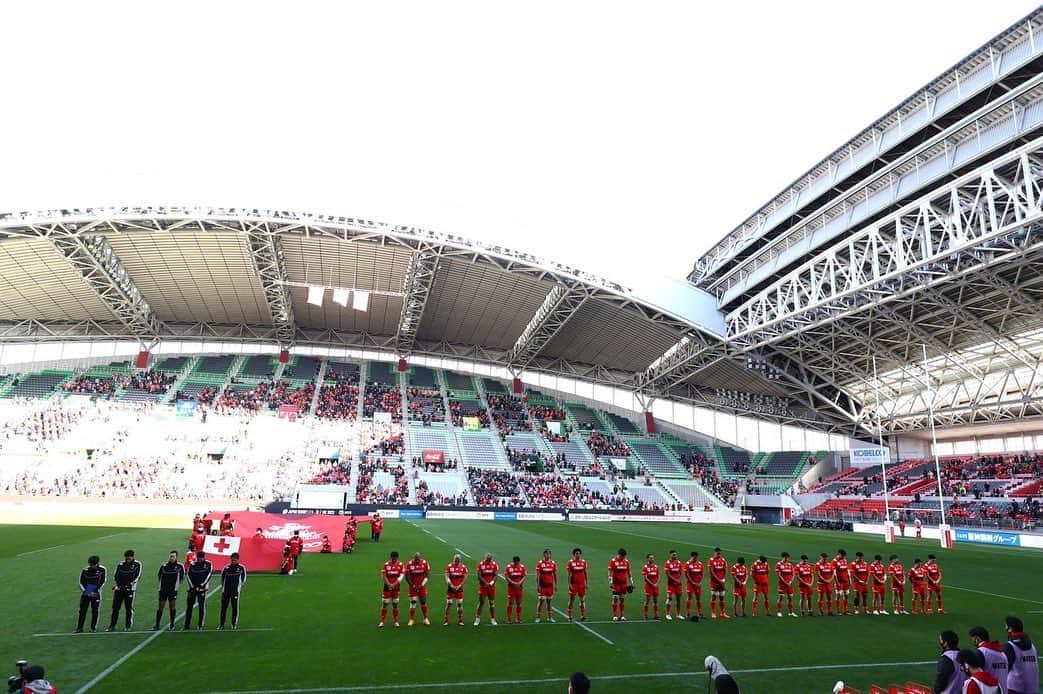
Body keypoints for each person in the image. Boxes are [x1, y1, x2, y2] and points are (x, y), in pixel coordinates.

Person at [108, 549, 142, 631]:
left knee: (128, 608)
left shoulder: (137, 564)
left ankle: (128, 626)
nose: (127, 560)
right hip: (119, 589)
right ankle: (112, 626)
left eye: (129, 559)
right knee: (115, 607)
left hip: (130, 590)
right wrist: (119, 585)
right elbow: (116, 576)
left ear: (132, 557)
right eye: (126, 558)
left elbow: (137, 577)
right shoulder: (121, 565)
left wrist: (128, 585)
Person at [1004, 615, 1039, 694]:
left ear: (1010, 629)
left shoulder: (1010, 646)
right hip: (1033, 689)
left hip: (1014, 689)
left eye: (1006, 626)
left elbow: (1004, 670)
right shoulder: (1032, 646)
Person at [968, 626, 1009, 693]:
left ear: (977, 638)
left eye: (972, 639)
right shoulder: (1002, 653)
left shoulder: (981, 652)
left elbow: (975, 675)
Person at [154, 550, 185, 631]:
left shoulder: (180, 566)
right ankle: (157, 624)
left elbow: (182, 577)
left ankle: (172, 624)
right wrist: (162, 586)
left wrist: (175, 587)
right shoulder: (164, 566)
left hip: (173, 590)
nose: (171, 558)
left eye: (173, 556)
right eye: (170, 556)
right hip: (163, 590)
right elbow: (159, 576)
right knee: (160, 607)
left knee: (172, 606)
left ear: (176, 557)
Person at [76, 554, 106, 633]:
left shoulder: (102, 569)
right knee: (82, 611)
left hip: (96, 592)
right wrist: (85, 591)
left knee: (95, 610)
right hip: (86, 592)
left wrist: (96, 591)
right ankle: (79, 628)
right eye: (90, 564)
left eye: (93, 565)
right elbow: (81, 582)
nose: (91, 566)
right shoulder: (85, 570)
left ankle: (93, 628)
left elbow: (103, 581)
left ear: (97, 563)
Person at [183, 550, 212, 630]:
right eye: (198, 558)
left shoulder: (208, 564)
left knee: (201, 607)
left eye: (201, 558)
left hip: (202, 589)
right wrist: (192, 586)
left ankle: (200, 625)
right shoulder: (193, 564)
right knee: (189, 607)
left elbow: (209, 575)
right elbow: (188, 575)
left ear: (204, 557)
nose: (199, 560)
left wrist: (202, 585)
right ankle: (186, 625)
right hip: (192, 589)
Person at [218, 552, 247, 630]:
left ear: (238, 559)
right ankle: (221, 624)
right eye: (232, 559)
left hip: (235, 591)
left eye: (235, 559)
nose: (233, 561)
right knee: (224, 608)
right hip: (226, 591)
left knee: (234, 608)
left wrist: (238, 588)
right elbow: (222, 579)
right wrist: (223, 588)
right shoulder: (226, 568)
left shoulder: (241, 568)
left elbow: (243, 580)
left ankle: (234, 624)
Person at [379, 550, 405, 628]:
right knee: (385, 603)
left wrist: (393, 584)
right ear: (391, 557)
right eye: (393, 558)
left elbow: (401, 576)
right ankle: (382, 622)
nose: (394, 559)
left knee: (395, 604)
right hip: (387, 586)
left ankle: (396, 621)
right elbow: (383, 575)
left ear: (397, 558)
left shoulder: (400, 565)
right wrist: (389, 584)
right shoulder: (386, 564)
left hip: (396, 587)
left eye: (395, 558)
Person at [935, 629, 967, 694]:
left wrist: (936, 690)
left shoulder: (946, 658)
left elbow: (941, 679)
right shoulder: (965, 656)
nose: (940, 642)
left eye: (941, 640)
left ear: (946, 643)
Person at [405, 551, 432, 627]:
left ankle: (425, 618)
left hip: (422, 586)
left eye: (418, 559)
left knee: (423, 601)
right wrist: (413, 585)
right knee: (413, 602)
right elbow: (407, 577)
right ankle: (411, 619)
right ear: (413, 558)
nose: (416, 561)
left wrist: (422, 584)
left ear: (420, 558)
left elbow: (427, 575)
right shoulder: (409, 564)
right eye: (415, 559)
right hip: (413, 587)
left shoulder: (425, 563)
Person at [608, 548, 633, 622]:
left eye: (624, 557)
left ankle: (622, 616)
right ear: (619, 555)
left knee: (622, 599)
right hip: (616, 583)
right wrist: (610, 582)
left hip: (624, 584)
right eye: (622, 556)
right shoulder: (613, 561)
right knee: (615, 598)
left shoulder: (626, 561)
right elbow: (610, 572)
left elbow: (629, 572)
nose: (624, 558)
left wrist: (632, 582)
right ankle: (615, 615)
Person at [474, 552, 499, 626]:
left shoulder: (494, 564)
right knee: (481, 602)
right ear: (485, 558)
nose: (489, 561)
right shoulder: (481, 564)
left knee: (492, 603)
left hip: (491, 587)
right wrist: (485, 583)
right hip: (483, 587)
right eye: (488, 559)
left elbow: (496, 575)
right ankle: (477, 619)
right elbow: (479, 575)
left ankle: (493, 619)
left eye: (490, 559)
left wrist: (490, 583)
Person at [444, 553, 468, 626]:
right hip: (451, 588)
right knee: (449, 603)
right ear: (453, 559)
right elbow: (447, 576)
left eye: (458, 560)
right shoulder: (449, 566)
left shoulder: (463, 567)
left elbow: (465, 577)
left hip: (459, 589)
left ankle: (460, 620)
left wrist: (460, 585)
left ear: (460, 560)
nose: (456, 561)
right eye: (455, 560)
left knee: (460, 604)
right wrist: (451, 585)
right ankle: (446, 620)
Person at [534, 548, 558, 623]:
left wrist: (556, 585)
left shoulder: (553, 563)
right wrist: (538, 585)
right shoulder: (540, 563)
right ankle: (538, 617)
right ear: (544, 554)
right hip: (542, 586)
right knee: (541, 601)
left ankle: (550, 617)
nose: (548, 555)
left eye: (549, 554)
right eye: (546, 553)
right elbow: (537, 575)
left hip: (550, 586)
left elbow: (555, 574)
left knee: (549, 601)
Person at [566, 547, 588, 622]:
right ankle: (569, 616)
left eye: (579, 553)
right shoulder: (570, 562)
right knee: (571, 600)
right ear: (574, 554)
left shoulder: (583, 562)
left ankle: (583, 615)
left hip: (581, 584)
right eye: (576, 554)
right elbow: (569, 574)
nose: (578, 555)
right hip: (574, 584)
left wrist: (586, 583)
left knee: (582, 600)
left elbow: (585, 573)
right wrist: (569, 584)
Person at [708, 547, 730, 619]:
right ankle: (713, 612)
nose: (719, 553)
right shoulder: (711, 560)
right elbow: (711, 571)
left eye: (720, 552)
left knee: (722, 596)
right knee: (714, 596)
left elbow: (725, 569)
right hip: (714, 581)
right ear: (715, 552)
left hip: (722, 581)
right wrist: (718, 580)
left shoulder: (723, 560)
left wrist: (723, 579)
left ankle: (723, 612)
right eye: (718, 552)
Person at [505, 555, 527, 624]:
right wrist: (513, 583)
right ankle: (509, 619)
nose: (517, 564)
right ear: (513, 561)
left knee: (519, 603)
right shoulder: (509, 567)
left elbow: (524, 576)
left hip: (519, 588)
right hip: (511, 588)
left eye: (517, 563)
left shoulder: (522, 567)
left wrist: (519, 583)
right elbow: (506, 576)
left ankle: (518, 618)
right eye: (515, 563)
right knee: (510, 602)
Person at [774, 551, 797, 618]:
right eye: (786, 557)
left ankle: (791, 612)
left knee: (790, 598)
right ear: (783, 557)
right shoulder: (778, 564)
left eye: (787, 558)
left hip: (789, 584)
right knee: (781, 597)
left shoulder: (790, 565)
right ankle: (779, 611)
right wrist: (785, 582)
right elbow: (779, 575)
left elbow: (793, 574)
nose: (787, 559)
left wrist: (790, 581)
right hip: (782, 584)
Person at [663, 549, 683, 621]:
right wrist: (675, 580)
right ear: (670, 555)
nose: (675, 556)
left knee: (678, 599)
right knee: (669, 598)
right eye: (673, 555)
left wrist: (679, 580)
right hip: (671, 584)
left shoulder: (678, 562)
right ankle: (668, 614)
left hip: (678, 584)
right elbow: (668, 574)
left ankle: (678, 614)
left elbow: (681, 572)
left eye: (675, 554)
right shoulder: (667, 563)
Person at [684, 550, 704, 619]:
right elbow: (687, 574)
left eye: (697, 557)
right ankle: (687, 613)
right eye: (695, 557)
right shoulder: (687, 564)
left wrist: (700, 582)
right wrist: (692, 582)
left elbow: (702, 574)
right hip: (690, 584)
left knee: (698, 598)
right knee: (689, 597)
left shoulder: (700, 564)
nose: (696, 558)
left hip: (698, 584)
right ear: (693, 556)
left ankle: (700, 613)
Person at [815, 552, 835, 617]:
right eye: (824, 558)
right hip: (821, 583)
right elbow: (818, 574)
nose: (825, 559)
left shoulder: (829, 564)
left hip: (828, 583)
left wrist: (830, 580)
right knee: (820, 596)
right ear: (821, 557)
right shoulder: (818, 564)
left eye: (826, 558)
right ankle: (820, 611)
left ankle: (829, 611)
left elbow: (832, 573)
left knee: (829, 597)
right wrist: (825, 580)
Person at [641, 553, 660, 620]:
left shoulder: (656, 567)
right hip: (649, 586)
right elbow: (645, 578)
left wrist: (657, 583)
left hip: (655, 586)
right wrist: (652, 584)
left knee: (655, 600)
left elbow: (659, 576)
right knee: (647, 600)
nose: (652, 559)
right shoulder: (645, 567)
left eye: (653, 558)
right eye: (651, 558)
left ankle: (656, 614)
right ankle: (645, 614)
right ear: (648, 559)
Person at [851, 551, 871, 616]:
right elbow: (853, 574)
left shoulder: (865, 563)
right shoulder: (853, 564)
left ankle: (865, 609)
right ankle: (856, 609)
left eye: (862, 557)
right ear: (857, 557)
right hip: (857, 583)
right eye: (860, 557)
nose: (861, 558)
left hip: (864, 583)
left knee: (865, 596)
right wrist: (859, 580)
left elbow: (868, 573)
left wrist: (867, 581)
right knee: (857, 596)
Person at [833, 549, 852, 615]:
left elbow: (848, 571)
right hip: (839, 581)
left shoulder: (845, 560)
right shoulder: (834, 561)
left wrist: (850, 580)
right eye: (842, 555)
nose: (844, 557)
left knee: (846, 595)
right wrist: (837, 582)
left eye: (844, 556)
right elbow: (834, 573)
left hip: (846, 581)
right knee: (838, 595)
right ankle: (838, 610)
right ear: (839, 554)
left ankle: (845, 610)